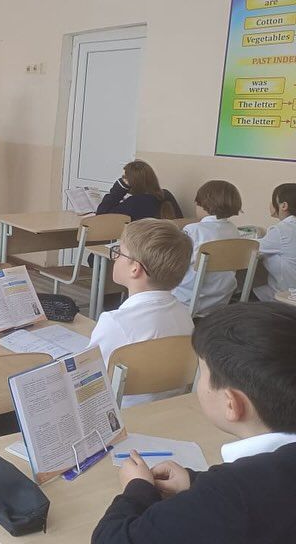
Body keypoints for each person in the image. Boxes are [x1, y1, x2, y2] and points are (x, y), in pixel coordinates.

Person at [92, 302, 296, 544]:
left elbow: (111, 540)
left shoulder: (230, 495)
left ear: (231, 404)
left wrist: (137, 490)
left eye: (202, 372)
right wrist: (195, 482)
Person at [88, 219, 193, 406]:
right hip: (167, 410)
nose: (115, 257)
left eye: (119, 252)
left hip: (122, 412)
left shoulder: (115, 322)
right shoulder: (185, 316)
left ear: (135, 269)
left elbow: (89, 379)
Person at [172, 180, 242, 314]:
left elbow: (174, 262)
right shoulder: (233, 230)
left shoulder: (193, 230)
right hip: (220, 301)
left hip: (186, 300)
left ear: (204, 204)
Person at [254, 183, 296, 302]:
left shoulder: (281, 230)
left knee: (240, 292)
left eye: (273, 200)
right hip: (290, 293)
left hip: (286, 297)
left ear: (284, 206)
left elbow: (251, 248)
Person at [96, 160, 176, 221]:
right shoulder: (164, 195)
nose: (122, 180)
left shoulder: (135, 202)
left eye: (124, 178)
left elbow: (101, 218)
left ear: (132, 181)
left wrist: (118, 189)